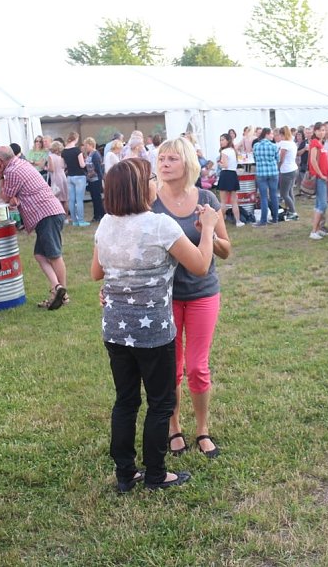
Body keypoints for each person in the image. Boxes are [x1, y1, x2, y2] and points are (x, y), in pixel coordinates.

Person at [92, 158, 219, 493]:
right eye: (150, 176)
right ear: (140, 187)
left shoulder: (105, 223)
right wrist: (207, 228)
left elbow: (96, 273)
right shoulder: (161, 225)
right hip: (153, 333)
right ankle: (156, 474)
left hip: (116, 330)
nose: (154, 181)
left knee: (126, 401)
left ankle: (125, 473)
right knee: (160, 403)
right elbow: (202, 265)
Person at [150, 138, 232, 461]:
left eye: (172, 158)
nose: (165, 163)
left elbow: (226, 249)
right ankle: (174, 428)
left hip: (202, 293)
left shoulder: (207, 199)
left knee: (198, 367)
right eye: (161, 158)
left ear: (187, 164)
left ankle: (202, 429)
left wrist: (208, 231)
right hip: (164, 297)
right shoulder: (150, 201)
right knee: (171, 369)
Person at [0, 145, 69, 310]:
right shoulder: (22, 163)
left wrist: (0, 176)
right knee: (40, 255)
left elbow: (5, 197)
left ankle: (63, 295)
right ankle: (57, 288)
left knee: (54, 255)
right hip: (49, 212)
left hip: (46, 214)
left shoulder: (11, 172)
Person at [252, 127, 280, 226]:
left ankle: (263, 220)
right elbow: (277, 159)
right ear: (267, 134)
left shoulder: (256, 145)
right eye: (271, 134)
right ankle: (275, 218)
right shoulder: (274, 146)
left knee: (264, 197)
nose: (273, 136)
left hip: (261, 173)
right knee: (274, 196)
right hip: (273, 172)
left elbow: (254, 158)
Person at [308, 122, 328, 240]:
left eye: (324, 130)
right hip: (319, 177)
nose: (323, 132)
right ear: (315, 131)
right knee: (322, 203)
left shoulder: (320, 143)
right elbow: (313, 161)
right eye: (320, 130)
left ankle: (317, 229)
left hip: (324, 176)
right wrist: (320, 174)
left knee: (319, 203)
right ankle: (313, 231)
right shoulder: (315, 143)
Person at [216, 133, 243, 227]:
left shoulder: (224, 152)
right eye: (220, 140)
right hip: (232, 174)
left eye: (222, 140)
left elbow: (225, 165)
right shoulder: (233, 150)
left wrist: (219, 164)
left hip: (225, 174)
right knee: (234, 201)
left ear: (227, 140)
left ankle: (219, 222)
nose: (221, 142)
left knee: (223, 201)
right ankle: (238, 221)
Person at [62, 132, 88, 227]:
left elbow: (62, 165)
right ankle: (81, 221)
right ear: (76, 139)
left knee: (71, 200)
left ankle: (74, 221)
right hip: (79, 176)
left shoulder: (64, 151)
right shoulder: (77, 150)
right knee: (79, 199)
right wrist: (85, 162)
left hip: (70, 176)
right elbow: (82, 164)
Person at [276, 126, 298, 220]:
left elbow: (281, 158)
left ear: (282, 135)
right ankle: (290, 210)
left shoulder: (284, 144)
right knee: (290, 192)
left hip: (287, 170)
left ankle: (293, 212)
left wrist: (278, 167)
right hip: (293, 169)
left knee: (284, 194)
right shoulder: (292, 143)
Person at [83, 137, 105, 222]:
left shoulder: (95, 155)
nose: (85, 147)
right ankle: (97, 215)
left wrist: (100, 180)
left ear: (91, 145)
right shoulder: (90, 154)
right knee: (94, 198)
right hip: (91, 180)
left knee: (97, 198)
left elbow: (98, 169)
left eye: (87, 145)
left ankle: (99, 215)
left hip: (96, 180)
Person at [47, 141, 69, 216]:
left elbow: (52, 169)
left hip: (56, 178)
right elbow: (64, 167)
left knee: (57, 198)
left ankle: (60, 215)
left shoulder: (51, 157)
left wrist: (46, 168)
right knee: (65, 198)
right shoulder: (61, 157)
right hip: (63, 177)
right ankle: (66, 217)